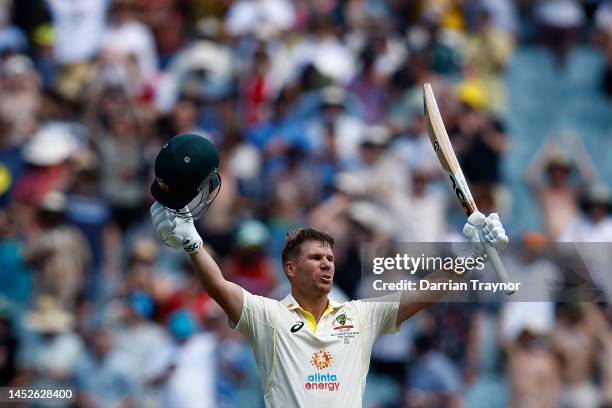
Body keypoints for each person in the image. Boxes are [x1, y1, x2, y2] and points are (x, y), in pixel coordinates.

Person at [148, 133, 508, 407]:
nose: (326, 264)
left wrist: (473, 254)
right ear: (289, 268)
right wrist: (192, 242)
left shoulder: (359, 317)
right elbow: (219, 288)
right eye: (315, 258)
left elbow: (426, 291)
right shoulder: (269, 317)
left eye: (330, 258)